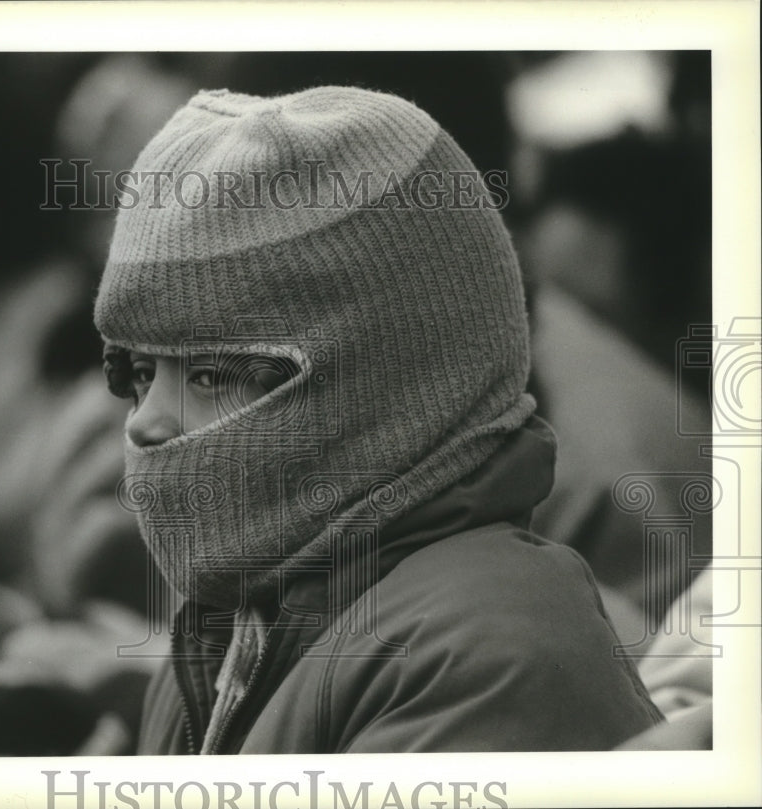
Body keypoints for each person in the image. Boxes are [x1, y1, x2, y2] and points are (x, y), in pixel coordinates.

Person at [93, 86, 664, 753]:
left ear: (379, 382)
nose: (145, 423)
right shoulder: (233, 625)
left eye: (212, 374)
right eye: (137, 372)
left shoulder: (484, 656)